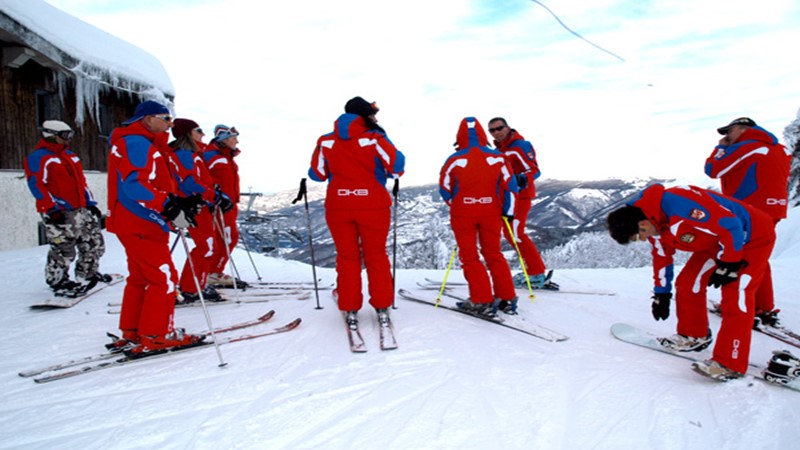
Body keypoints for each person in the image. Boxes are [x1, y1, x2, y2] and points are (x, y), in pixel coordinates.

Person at [606, 183, 776, 380]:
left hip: (753, 237)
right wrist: (661, 293)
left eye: (637, 237)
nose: (643, 240)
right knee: (687, 283)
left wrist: (729, 263)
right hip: (717, 243)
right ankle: (694, 335)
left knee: (735, 295)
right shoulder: (654, 223)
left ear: (642, 224)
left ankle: (730, 363)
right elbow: (661, 258)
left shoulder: (681, 205)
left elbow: (730, 225)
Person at [107, 101, 205, 354]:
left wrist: (177, 202)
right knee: (164, 278)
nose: (170, 124)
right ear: (148, 118)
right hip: (141, 220)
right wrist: (167, 206)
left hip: (135, 220)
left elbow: (153, 184)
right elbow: (135, 185)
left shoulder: (139, 143)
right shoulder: (138, 143)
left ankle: (134, 330)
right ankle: (156, 334)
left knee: (141, 278)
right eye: (165, 118)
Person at [308, 96, 405, 327]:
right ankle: (381, 304)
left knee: (347, 257)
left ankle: (350, 306)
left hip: (339, 206)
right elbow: (397, 167)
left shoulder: (325, 141)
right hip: (373, 206)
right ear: (364, 115)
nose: (376, 118)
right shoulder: (374, 138)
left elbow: (317, 174)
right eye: (373, 114)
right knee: (376, 255)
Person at [704, 117, 792, 327]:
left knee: (741, 257)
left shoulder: (747, 147)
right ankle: (763, 306)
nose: (727, 136)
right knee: (759, 257)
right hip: (775, 209)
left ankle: (741, 307)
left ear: (743, 129)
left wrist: (720, 148)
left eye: (730, 131)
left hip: (750, 210)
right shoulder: (780, 149)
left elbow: (713, 169)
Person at [440, 117, 519, 317]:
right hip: (491, 212)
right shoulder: (498, 157)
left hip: (463, 213)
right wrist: (507, 211)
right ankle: (507, 297)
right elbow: (510, 186)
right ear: (483, 134)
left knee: (469, 256)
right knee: (494, 253)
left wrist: (458, 203)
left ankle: (481, 300)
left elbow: (445, 188)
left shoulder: (454, 159)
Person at [23, 119, 110, 297]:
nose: (68, 139)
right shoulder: (40, 158)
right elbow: (36, 184)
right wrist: (51, 208)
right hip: (59, 210)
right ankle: (58, 281)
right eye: (64, 135)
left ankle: (87, 272)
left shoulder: (71, 156)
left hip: (81, 208)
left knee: (94, 242)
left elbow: (81, 182)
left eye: (70, 135)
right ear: (51, 135)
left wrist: (90, 203)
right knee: (63, 247)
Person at [168, 119, 233, 303]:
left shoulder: (190, 154)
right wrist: (213, 195)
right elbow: (189, 182)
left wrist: (213, 194)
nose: (202, 134)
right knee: (205, 247)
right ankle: (191, 287)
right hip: (195, 205)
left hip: (198, 203)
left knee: (207, 247)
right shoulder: (184, 155)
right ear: (188, 134)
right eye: (198, 130)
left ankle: (196, 284)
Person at [487, 117, 556, 291]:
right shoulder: (498, 151)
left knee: (516, 233)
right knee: (510, 233)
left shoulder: (520, 146)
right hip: (506, 198)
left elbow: (534, 170)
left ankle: (536, 274)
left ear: (507, 127)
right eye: (492, 130)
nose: (496, 132)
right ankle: (533, 271)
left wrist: (521, 179)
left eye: (499, 128)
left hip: (521, 196)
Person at [202, 124, 242, 288]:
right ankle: (212, 272)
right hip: (219, 204)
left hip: (229, 203)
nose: (236, 142)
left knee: (224, 238)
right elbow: (201, 177)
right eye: (233, 138)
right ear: (224, 139)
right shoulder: (212, 156)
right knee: (228, 238)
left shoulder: (225, 157)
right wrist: (213, 195)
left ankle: (212, 271)